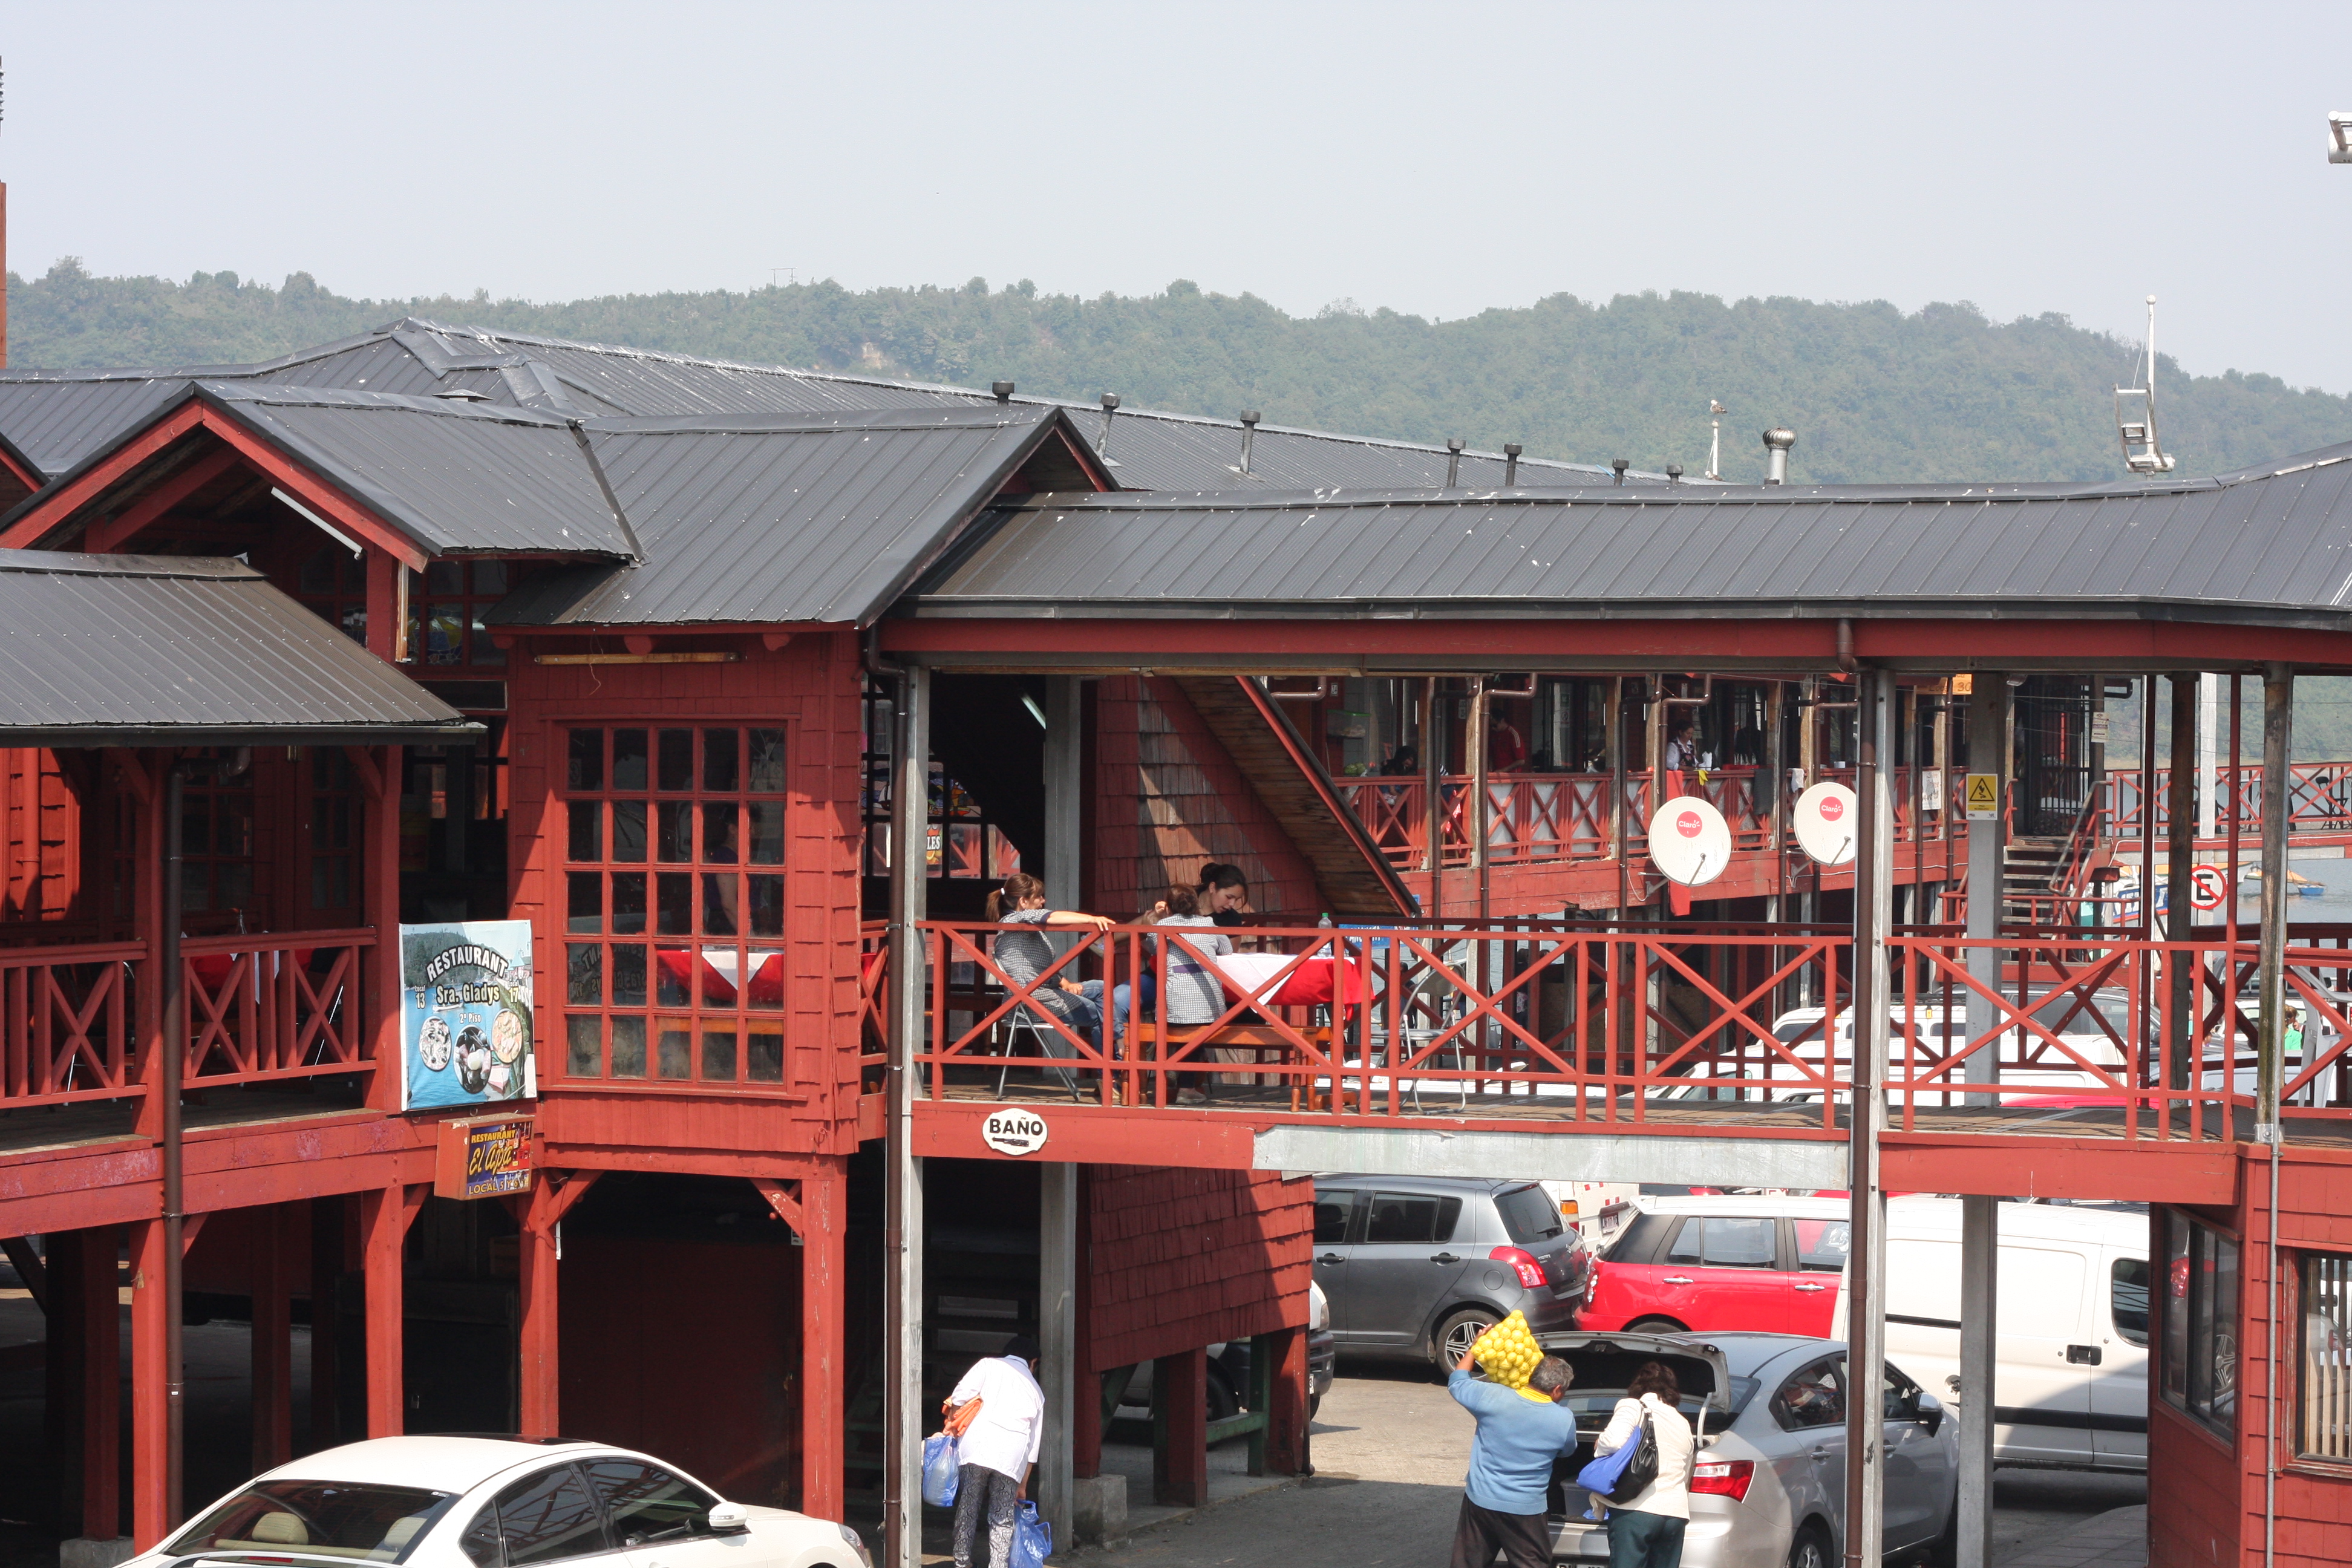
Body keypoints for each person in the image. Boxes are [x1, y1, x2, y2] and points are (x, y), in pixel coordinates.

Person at [1446, 1343, 1580, 1568]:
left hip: (1481, 1501)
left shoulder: (1492, 1396)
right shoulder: (1563, 1419)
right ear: (1558, 1389)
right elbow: (1567, 1452)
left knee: (1468, 1563)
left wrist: (1475, 1348)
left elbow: (1458, 1381)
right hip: (1525, 1510)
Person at [986, 874, 1114, 1085]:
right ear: (1023, 902)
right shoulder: (1014, 920)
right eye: (1039, 897)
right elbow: (1051, 917)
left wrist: (1065, 983)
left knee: (1102, 988)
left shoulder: (1024, 924)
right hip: (1032, 1000)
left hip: (1048, 989)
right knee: (1102, 1014)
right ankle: (1110, 1074)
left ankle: (1114, 1052)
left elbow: (1038, 967)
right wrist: (1092, 919)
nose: (1043, 901)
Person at [944, 1334, 1045, 1568]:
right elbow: (1033, 1449)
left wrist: (952, 1421)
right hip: (1011, 1457)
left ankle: (962, 1561)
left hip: (976, 1448)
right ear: (1033, 1362)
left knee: (968, 1505)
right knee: (1002, 1515)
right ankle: (998, 1565)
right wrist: (1023, 1485)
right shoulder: (1037, 1392)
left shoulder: (987, 1365)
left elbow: (959, 1396)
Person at [1592, 1359, 1694, 1568]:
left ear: (1638, 1384)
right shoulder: (1682, 1421)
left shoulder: (1632, 1405)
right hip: (1675, 1514)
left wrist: (1599, 1445)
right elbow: (1686, 1468)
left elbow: (1612, 1441)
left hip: (1637, 1510)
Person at [1153, 884, 1233, 1104]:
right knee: (1196, 1037)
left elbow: (1153, 948)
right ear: (1196, 904)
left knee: (1183, 1032)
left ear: (1169, 907)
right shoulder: (1208, 923)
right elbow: (1227, 951)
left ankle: (1174, 1072)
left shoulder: (1163, 925)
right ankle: (1185, 1086)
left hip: (1176, 997)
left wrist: (1160, 916)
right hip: (1208, 996)